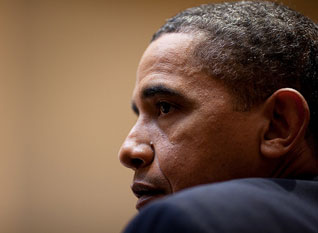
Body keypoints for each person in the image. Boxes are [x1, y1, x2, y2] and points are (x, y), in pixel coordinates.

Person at [118, 1, 318, 232]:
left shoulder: (181, 220)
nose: (128, 150)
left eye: (165, 108)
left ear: (278, 124)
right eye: (138, 114)